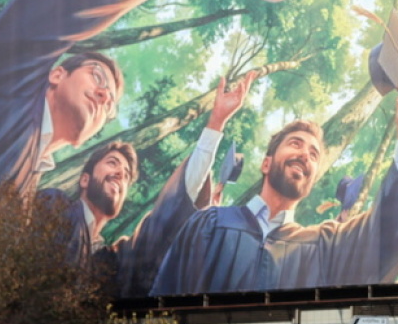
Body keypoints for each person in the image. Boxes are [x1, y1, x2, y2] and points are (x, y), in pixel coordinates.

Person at [0, 0, 255, 205]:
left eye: (110, 106)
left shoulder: (25, 199)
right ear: (56, 74)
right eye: (97, 77)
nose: (103, 96)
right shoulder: (10, 81)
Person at [150, 81, 398, 295]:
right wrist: (215, 123)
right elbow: (165, 291)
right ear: (266, 163)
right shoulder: (209, 224)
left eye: (314, 154)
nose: (304, 155)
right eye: (295, 144)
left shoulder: (325, 245)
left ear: (310, 185)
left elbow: (389, 230)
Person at [38, 72, 253, 297]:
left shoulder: (114, 263)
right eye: (112, 163)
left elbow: (161, 224)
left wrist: (216, 122)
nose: (120, 174)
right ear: (85, 179)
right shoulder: (54, 206)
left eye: (126, 175)